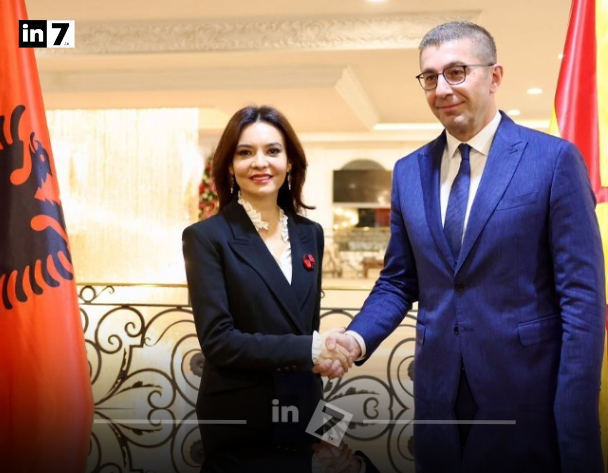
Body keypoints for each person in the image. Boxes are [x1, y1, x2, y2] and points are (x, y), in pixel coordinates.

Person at [316, 21, 606, 472]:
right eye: (430, 77)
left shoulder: (553, 161)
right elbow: (399, 280)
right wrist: (356, 338)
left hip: (528, 396)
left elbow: (583, 301)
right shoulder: (409, 172)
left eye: (456, 72)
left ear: (495, 77)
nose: (442, 89)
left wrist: (574, 416)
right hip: (438, 397)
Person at [182, 105, 352, 455]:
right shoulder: (206, 237)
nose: (260, 162)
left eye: (273, 151)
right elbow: (218, 341)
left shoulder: (311, 234)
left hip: (303, 406)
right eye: (245, 153)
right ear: (229, 166)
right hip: (240, 417)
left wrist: (329, 428)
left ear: (290, 162)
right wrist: (313, 349)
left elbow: (305, 331)